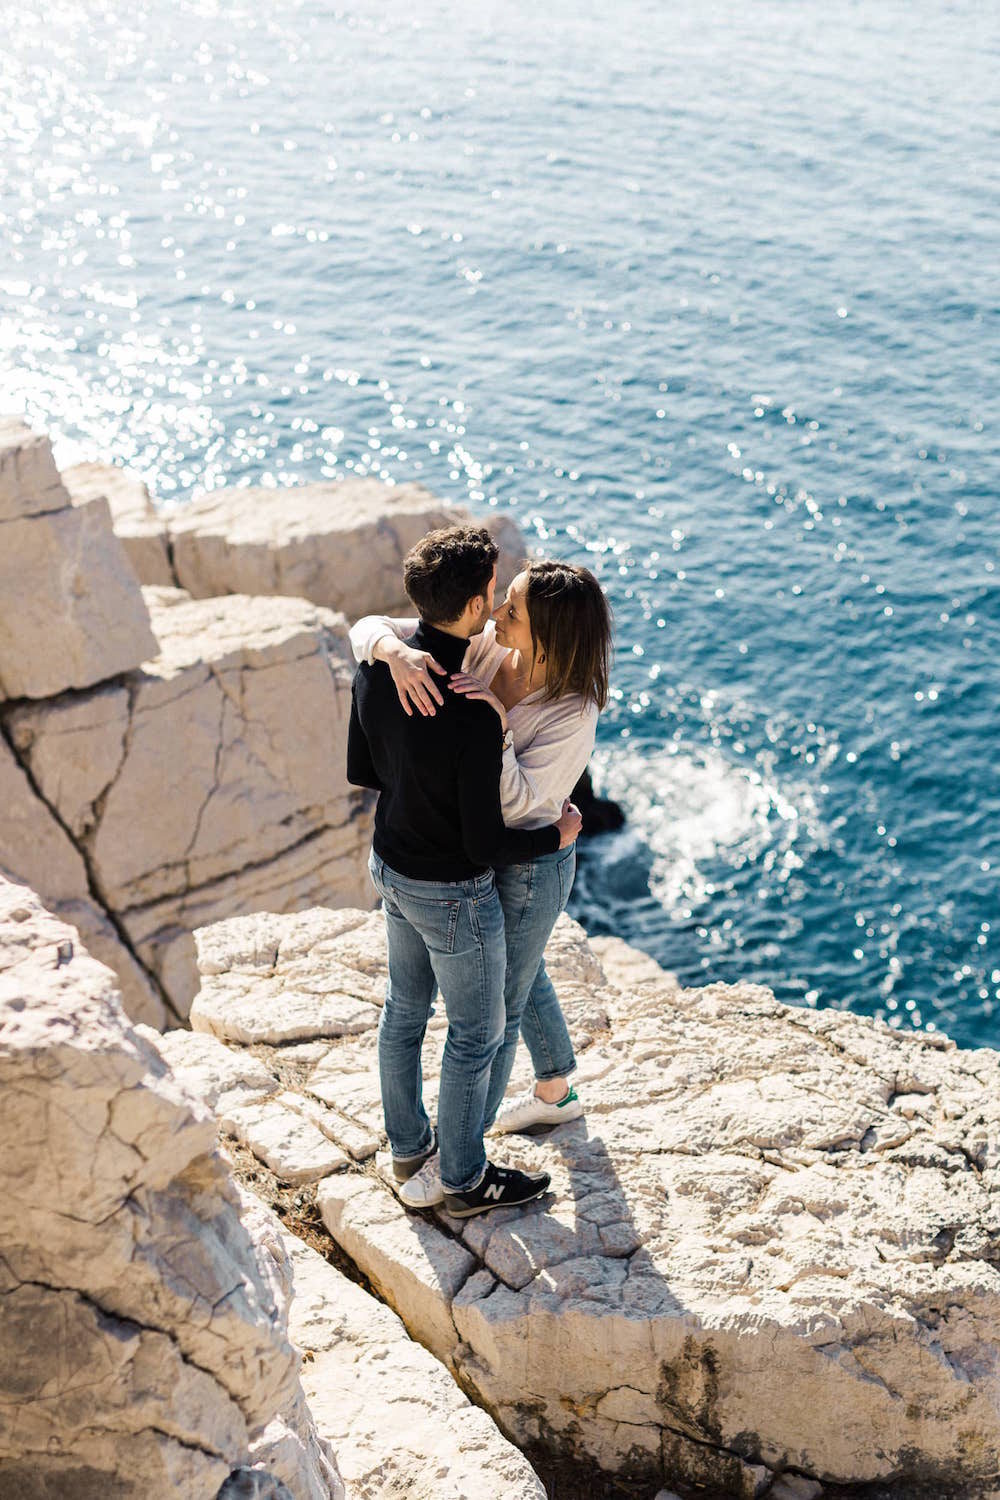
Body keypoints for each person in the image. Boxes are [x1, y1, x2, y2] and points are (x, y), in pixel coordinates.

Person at [350, 555, 612, 1193]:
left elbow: (521, 804)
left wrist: (487, 729)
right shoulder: (495, 646)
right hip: (478, 852)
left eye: (513, 610)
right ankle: (554, 1087)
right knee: (517, 972)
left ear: (546, 633)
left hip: (528, 862)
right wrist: (393, 651)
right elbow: (363, 627)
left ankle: (460, 1162)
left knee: (502, 1001)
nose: (495, 614)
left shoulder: (573, 711)